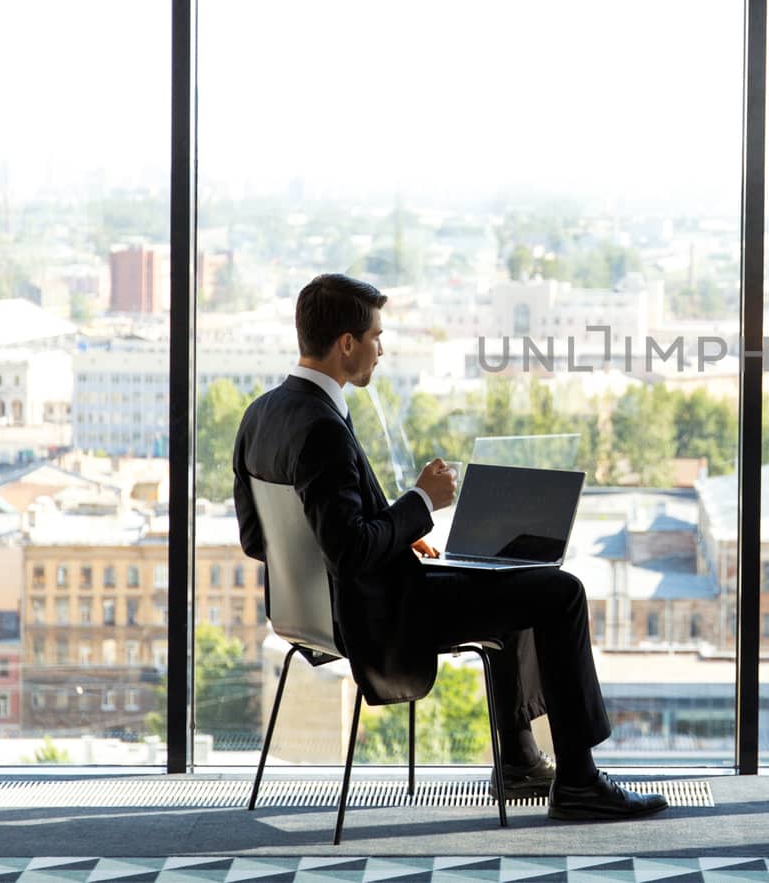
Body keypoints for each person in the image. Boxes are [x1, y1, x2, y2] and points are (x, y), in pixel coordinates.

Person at [233, 273, 667, 822]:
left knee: (518, 580)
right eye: (376, 335)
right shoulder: (321, 426)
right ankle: (578, 781)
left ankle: (520, 760)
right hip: (376, 616)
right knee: (559, 592)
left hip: (318, 612)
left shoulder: (261, 415)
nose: (381, 348)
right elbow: (348, 552)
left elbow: (261, 539)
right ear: (347, 343)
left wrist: (389, 534)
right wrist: (420, 501)